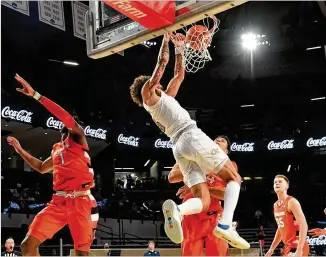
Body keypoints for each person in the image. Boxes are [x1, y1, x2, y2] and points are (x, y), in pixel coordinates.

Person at [129, 33, 248, 249]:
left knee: (202, 201)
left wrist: (180, 48)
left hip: (179, 147)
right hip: (189, 136)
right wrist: (165, 38)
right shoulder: (149, 96)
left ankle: (178, 210)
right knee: (234, 179)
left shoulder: (165, 99)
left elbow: (179, 75)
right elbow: (161, 64)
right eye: (154, 83)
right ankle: (226, 224)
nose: (159, 84)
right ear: (146, 87)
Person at [7, 74, 98, 256]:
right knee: (27, 246)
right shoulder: (57, 149)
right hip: (58, 202)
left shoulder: (79, 138)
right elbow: (41, 167)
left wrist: (36, 95)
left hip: (81, 201)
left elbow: (63, 115)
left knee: (81, 253)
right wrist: (20, 151)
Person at [168, 136, 233, 256]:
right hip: (192, 217)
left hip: (214, 217)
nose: (218, 141)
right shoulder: (193, 157)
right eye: (215, 140)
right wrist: (197, 167)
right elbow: (172, 177)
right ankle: (177, 211)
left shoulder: (229, 166)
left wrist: (197, 188)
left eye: (222, 141)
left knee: (218, 254)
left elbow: (226, 195)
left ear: (226, 151)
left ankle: (177, 211)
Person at [265, 175, 309, 257]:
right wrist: (272, 248)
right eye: (275, 182)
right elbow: (280, 229)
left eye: (280, 182)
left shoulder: (292, 202)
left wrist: (299, 249)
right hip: (288, 245)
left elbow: (304, 225)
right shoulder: (275, 205)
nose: (277, 183)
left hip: (297, 244)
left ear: (287, 186)